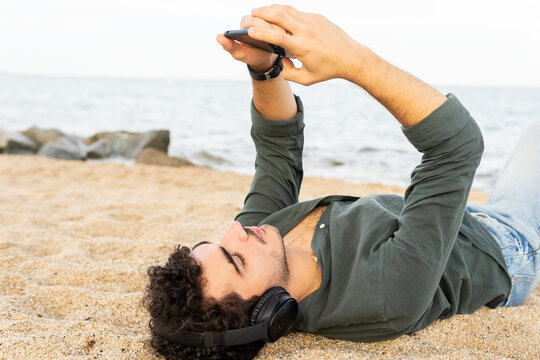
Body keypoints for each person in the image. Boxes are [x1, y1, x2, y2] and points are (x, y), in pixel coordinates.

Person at [143, 5, 540, 360]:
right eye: (235, 258)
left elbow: (277, 151)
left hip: (457, 217)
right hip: (506, 245)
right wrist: (352, 59)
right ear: (270, 311)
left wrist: (265, 68)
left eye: (215, 244)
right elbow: (457, 146)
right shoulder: (384, 296)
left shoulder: (260, 240)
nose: (235, 231)